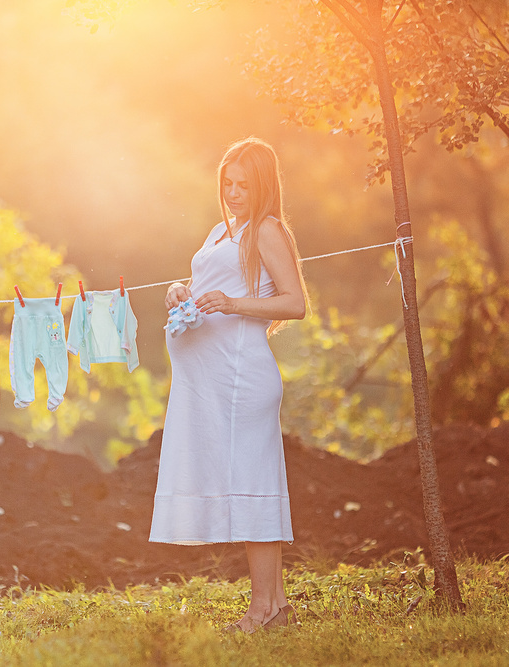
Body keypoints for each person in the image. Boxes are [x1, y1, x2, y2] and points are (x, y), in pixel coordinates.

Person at [149, 137, 308, 633]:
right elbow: (215, 288)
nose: (234, 192)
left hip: (241, 381)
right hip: (213, 386)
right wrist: (184, 291)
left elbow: (293, 302)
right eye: (228, 183)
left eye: (245, 184)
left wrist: (232, 304)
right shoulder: (223, 231)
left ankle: (262, 610)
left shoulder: (266, 230)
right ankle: (277, 607)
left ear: (263, 187)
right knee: (249, 486)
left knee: (252, 487)